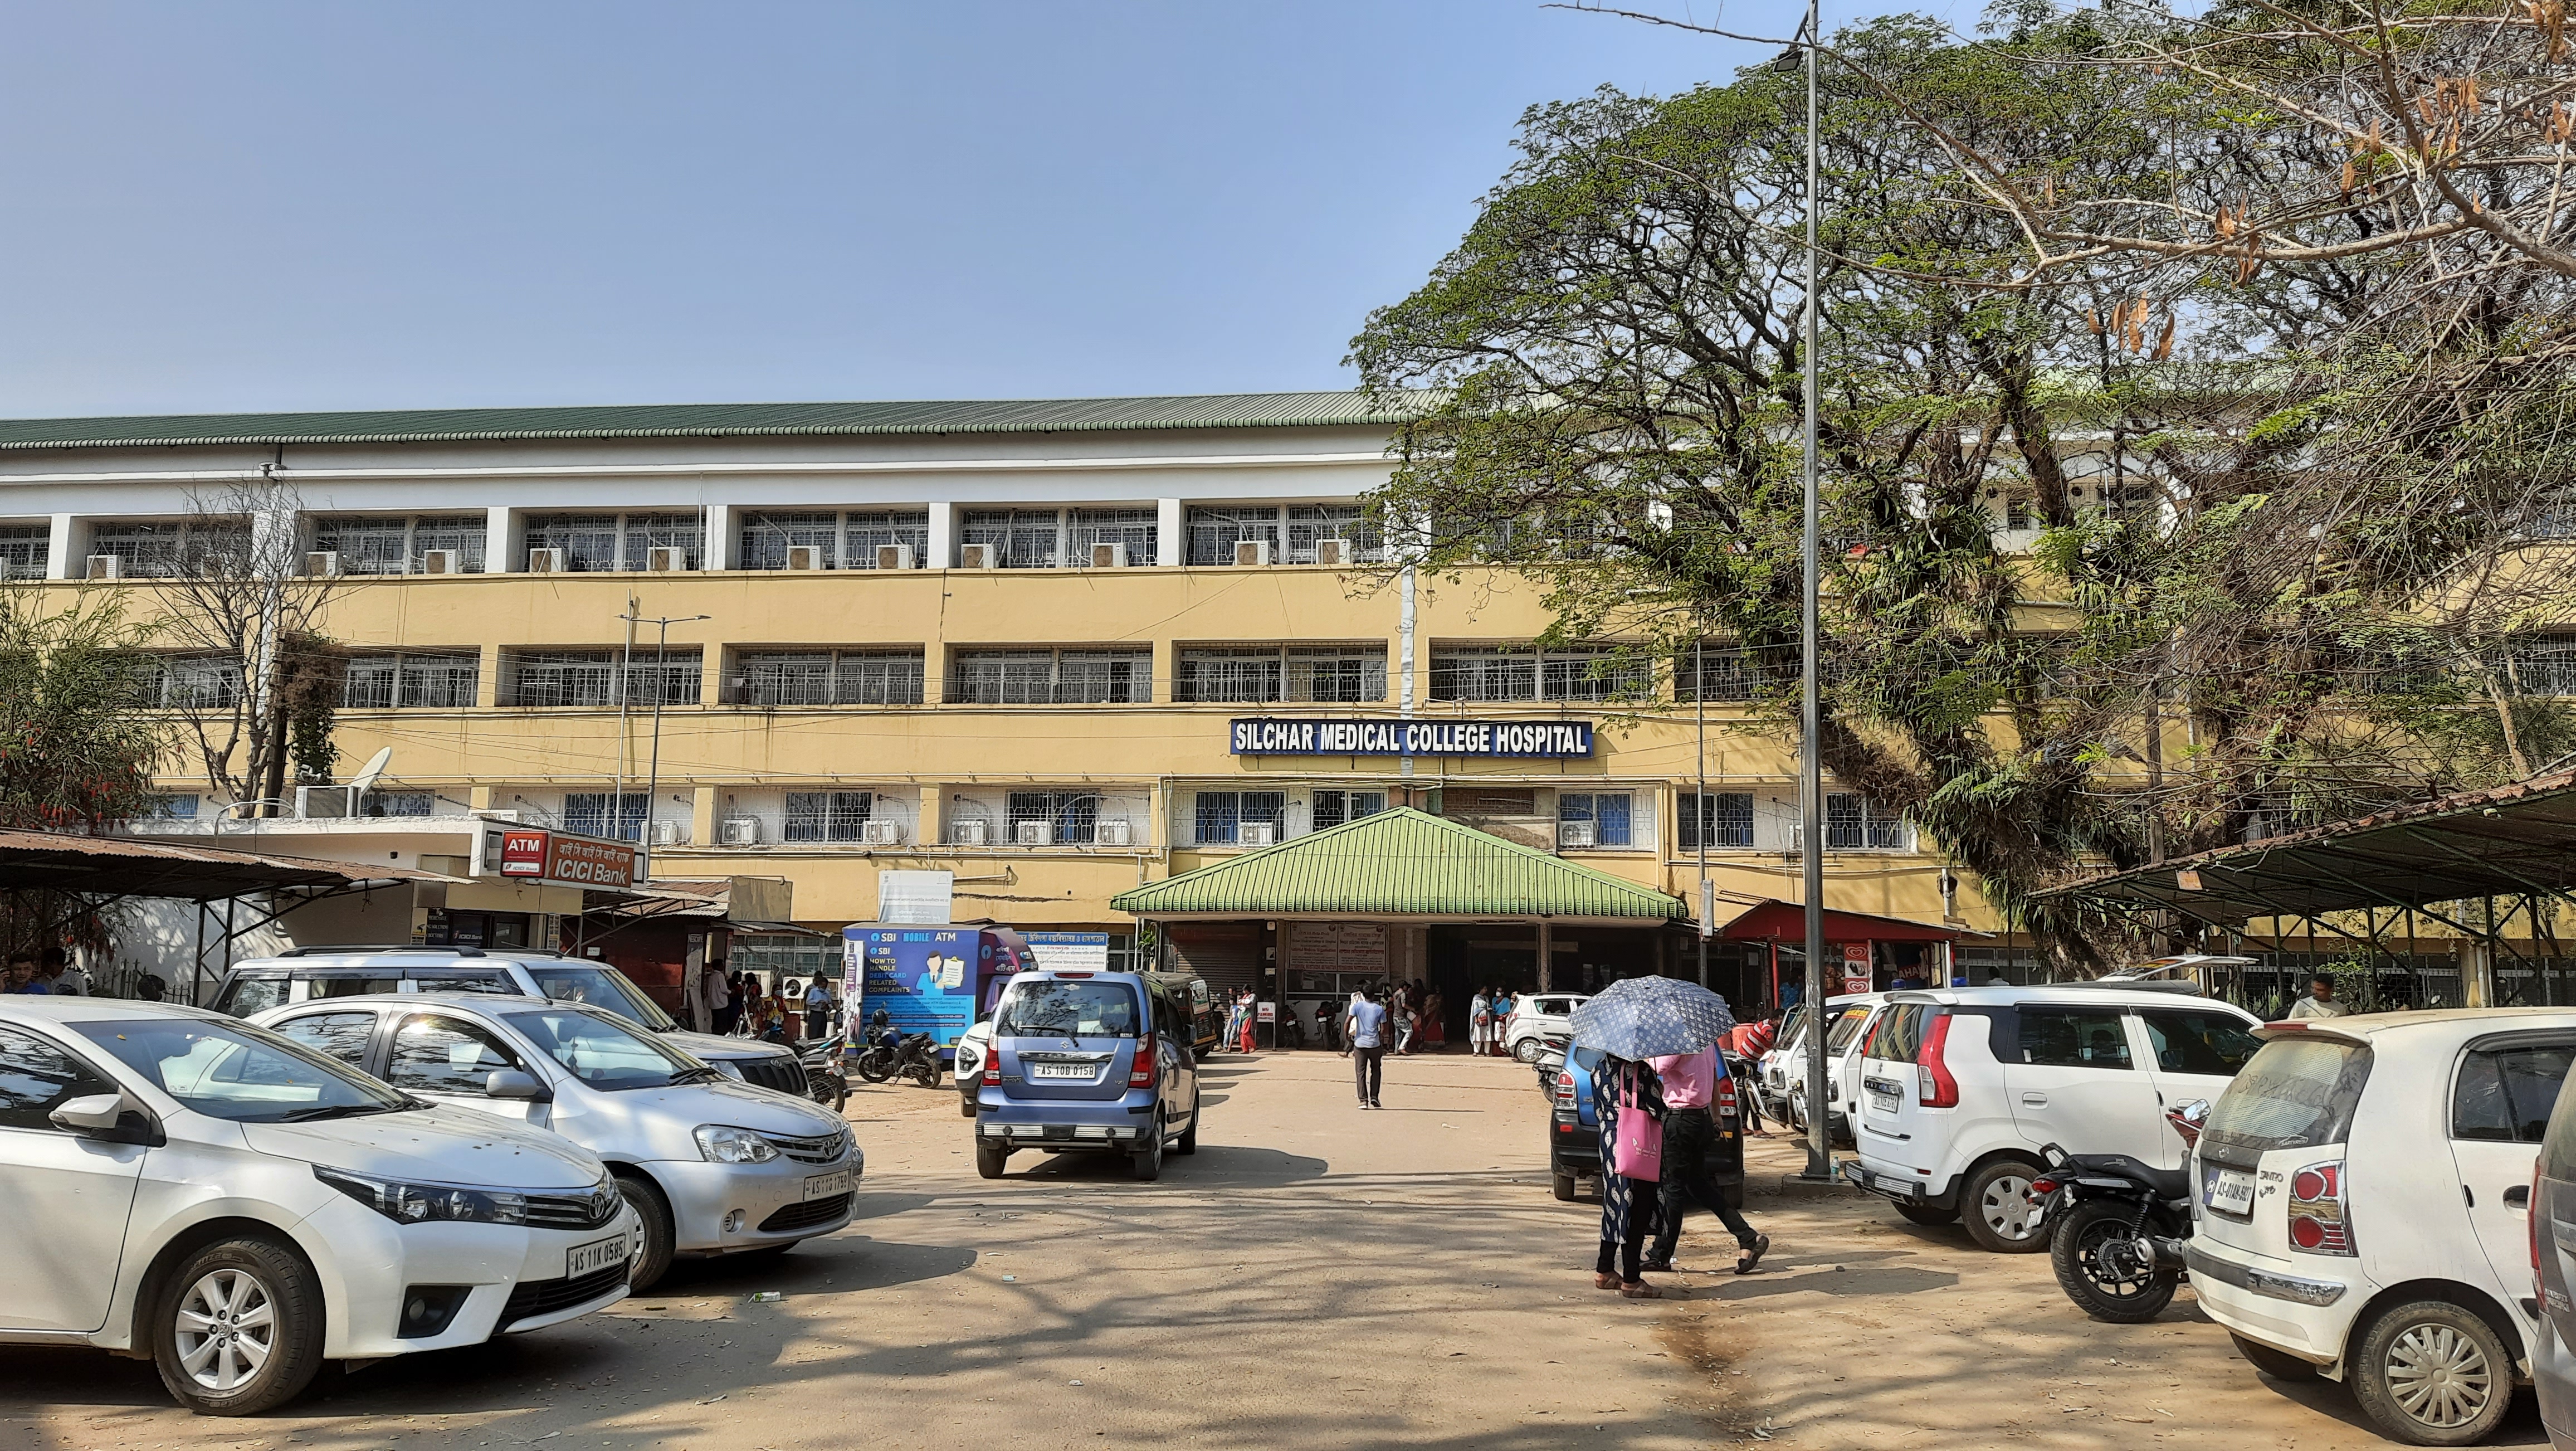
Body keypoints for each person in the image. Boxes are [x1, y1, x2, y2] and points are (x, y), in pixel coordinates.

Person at [1643, 1041, 1770, 1275]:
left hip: (1680, 1120)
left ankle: (1661, 1255)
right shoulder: (1707, 1043)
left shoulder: (1679, 1041)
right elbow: (1713, 1078)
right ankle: (1747, 1237)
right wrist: (1717, 1115)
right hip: (1701, 1119)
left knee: (1673, 1190)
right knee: (1699, 1186)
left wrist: (1644, 1053)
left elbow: (1658, 1068)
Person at [1592, 1053, 1666, 1298]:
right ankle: (1632, 1278)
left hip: (1610, 1143)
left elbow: (1599, 1111)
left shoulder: (1598, 1069)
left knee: (1615, 1205)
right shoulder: (1640, 1071)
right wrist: (1660, 1088)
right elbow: (1658, 1110)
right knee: (1637, 1209)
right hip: (1636, 1148)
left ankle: (1605, 1270)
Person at [1346, 987, 1389, 1108]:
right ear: (1374, 996)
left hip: (1360, 1045)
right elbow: (1383, 1029)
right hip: (1375, 1045)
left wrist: (1347, 1037)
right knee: (1376, 1070)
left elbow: (1347, 1022)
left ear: (1363, 995)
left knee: (1361, 1072)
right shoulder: (1379, 1009)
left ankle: (1363, 1101)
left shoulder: (1357, 1007)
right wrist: (1378, 1038)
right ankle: (1374, 1097)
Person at [2289, 974, 2353, 1019]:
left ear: (2331, 990)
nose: (2315, 992)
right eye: (2313, 988)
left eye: (2320, 990)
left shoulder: (2341, 1008)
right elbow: (2291, 1025)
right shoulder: (2302, 1005)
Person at [804, 976, 833, 1043]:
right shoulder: (813, 991)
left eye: (825, 987)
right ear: (819, 985)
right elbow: (808, 1002)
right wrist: (818, 1001)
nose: (824, 988)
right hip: (815, 1014)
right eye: (823, 986)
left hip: (823, 1014)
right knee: (813, 1033)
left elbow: (830, 1004)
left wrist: (827, 1007)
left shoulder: (827, 993)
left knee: (822, 1033)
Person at [1468, 989, 1492, 1056]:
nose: (1486, 990)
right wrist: (1475, 1018)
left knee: (1487, 1034)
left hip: (1487, 1017)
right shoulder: (1476, 997)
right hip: (1479, 1018)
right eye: (1484, 989)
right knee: (1478, 1034)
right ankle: (1476, 1051)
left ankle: (1487, 1052)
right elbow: (1475, 1008)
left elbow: (1488, 1006)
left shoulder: (1486, 998)